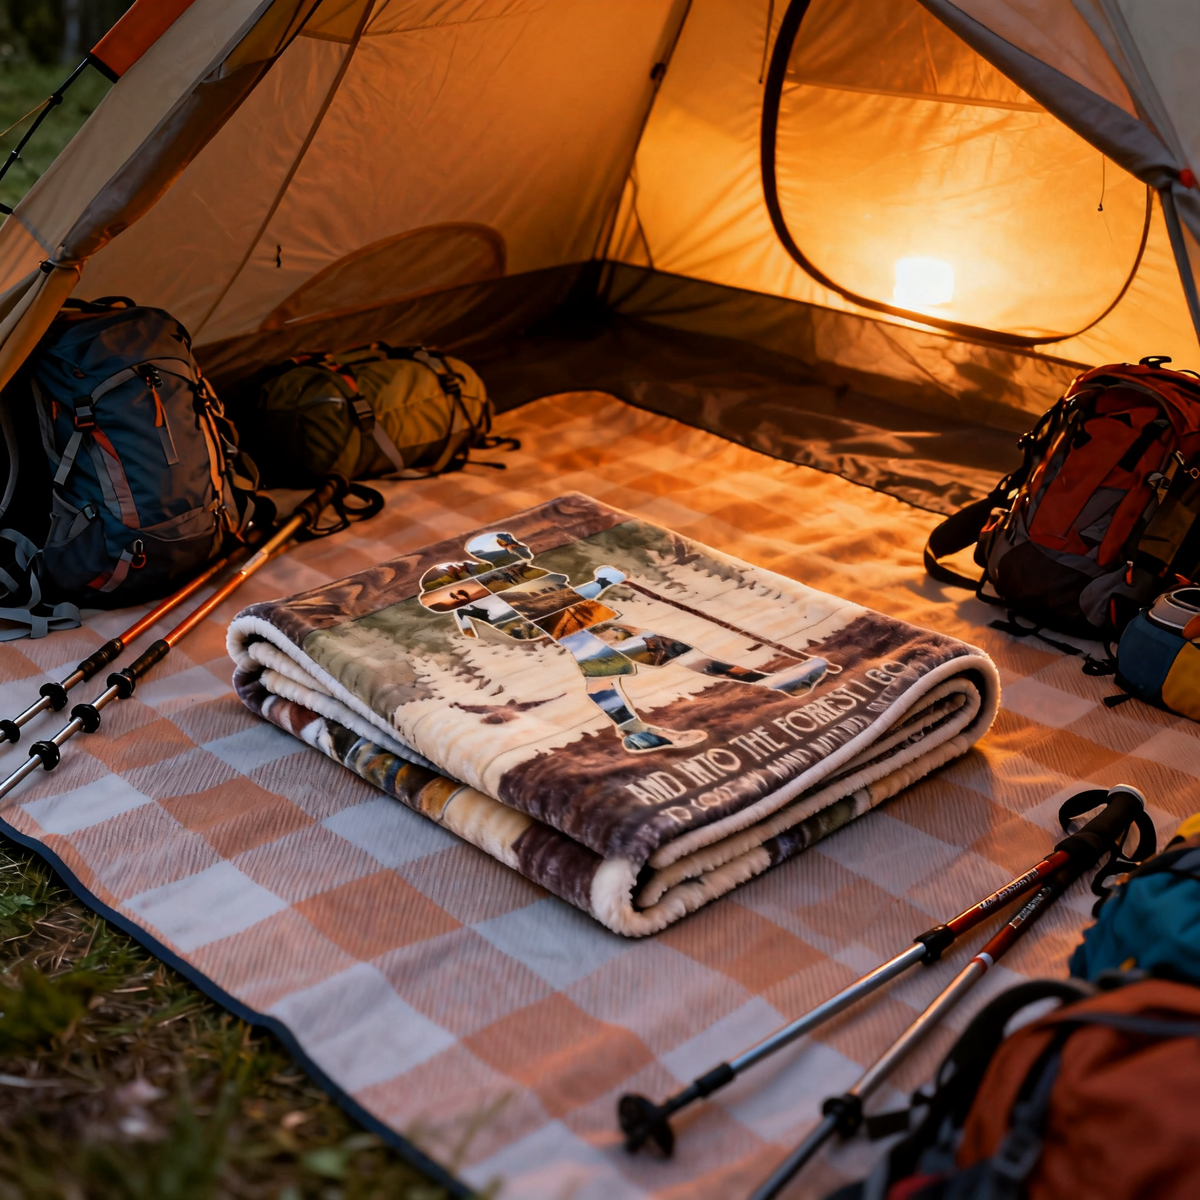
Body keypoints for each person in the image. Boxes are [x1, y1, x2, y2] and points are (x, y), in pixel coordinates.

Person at [419, 531, 828, 753]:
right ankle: (770, 683)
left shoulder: (494, 592)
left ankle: (636, 732)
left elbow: (548, 606)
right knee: (677, 653)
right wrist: (602, 581)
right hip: (582, 627)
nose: (521, 547)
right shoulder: (507, 581)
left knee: (607, 678)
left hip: (581, 630)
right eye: (510, 545)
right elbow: (560, 604)